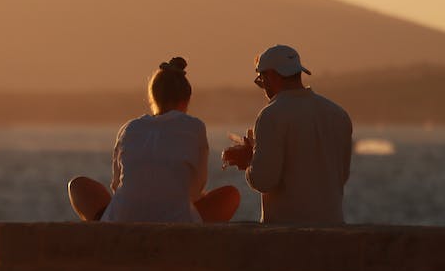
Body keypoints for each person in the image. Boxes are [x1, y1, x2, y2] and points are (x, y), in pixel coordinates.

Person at [68, 57, 240, 223]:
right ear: (186, 100)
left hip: (123, 218)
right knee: (231, 196)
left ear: (152, 98)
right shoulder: (194, 126)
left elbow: (116, 185)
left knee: (77, 185)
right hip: (178, 222)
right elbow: (197, 187)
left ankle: (105, 227)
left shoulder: (130, 128)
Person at [222, 44, 352, 224]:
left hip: (289, 233)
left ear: (272, 76)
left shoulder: (271, 115)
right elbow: (341, 175)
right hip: (334, 227)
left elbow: (264, 180)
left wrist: (249, 161)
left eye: (261, 79)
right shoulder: (338, 114)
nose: (263, 87)